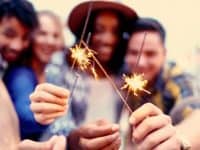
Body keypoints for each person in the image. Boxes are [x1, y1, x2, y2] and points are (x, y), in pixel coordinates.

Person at [0, 0, 66, 149]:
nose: (17, 45)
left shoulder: (55, 73)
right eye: (42, 33)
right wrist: (40, 115)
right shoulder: (21, 74)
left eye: (24, 38)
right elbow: (25, 115)